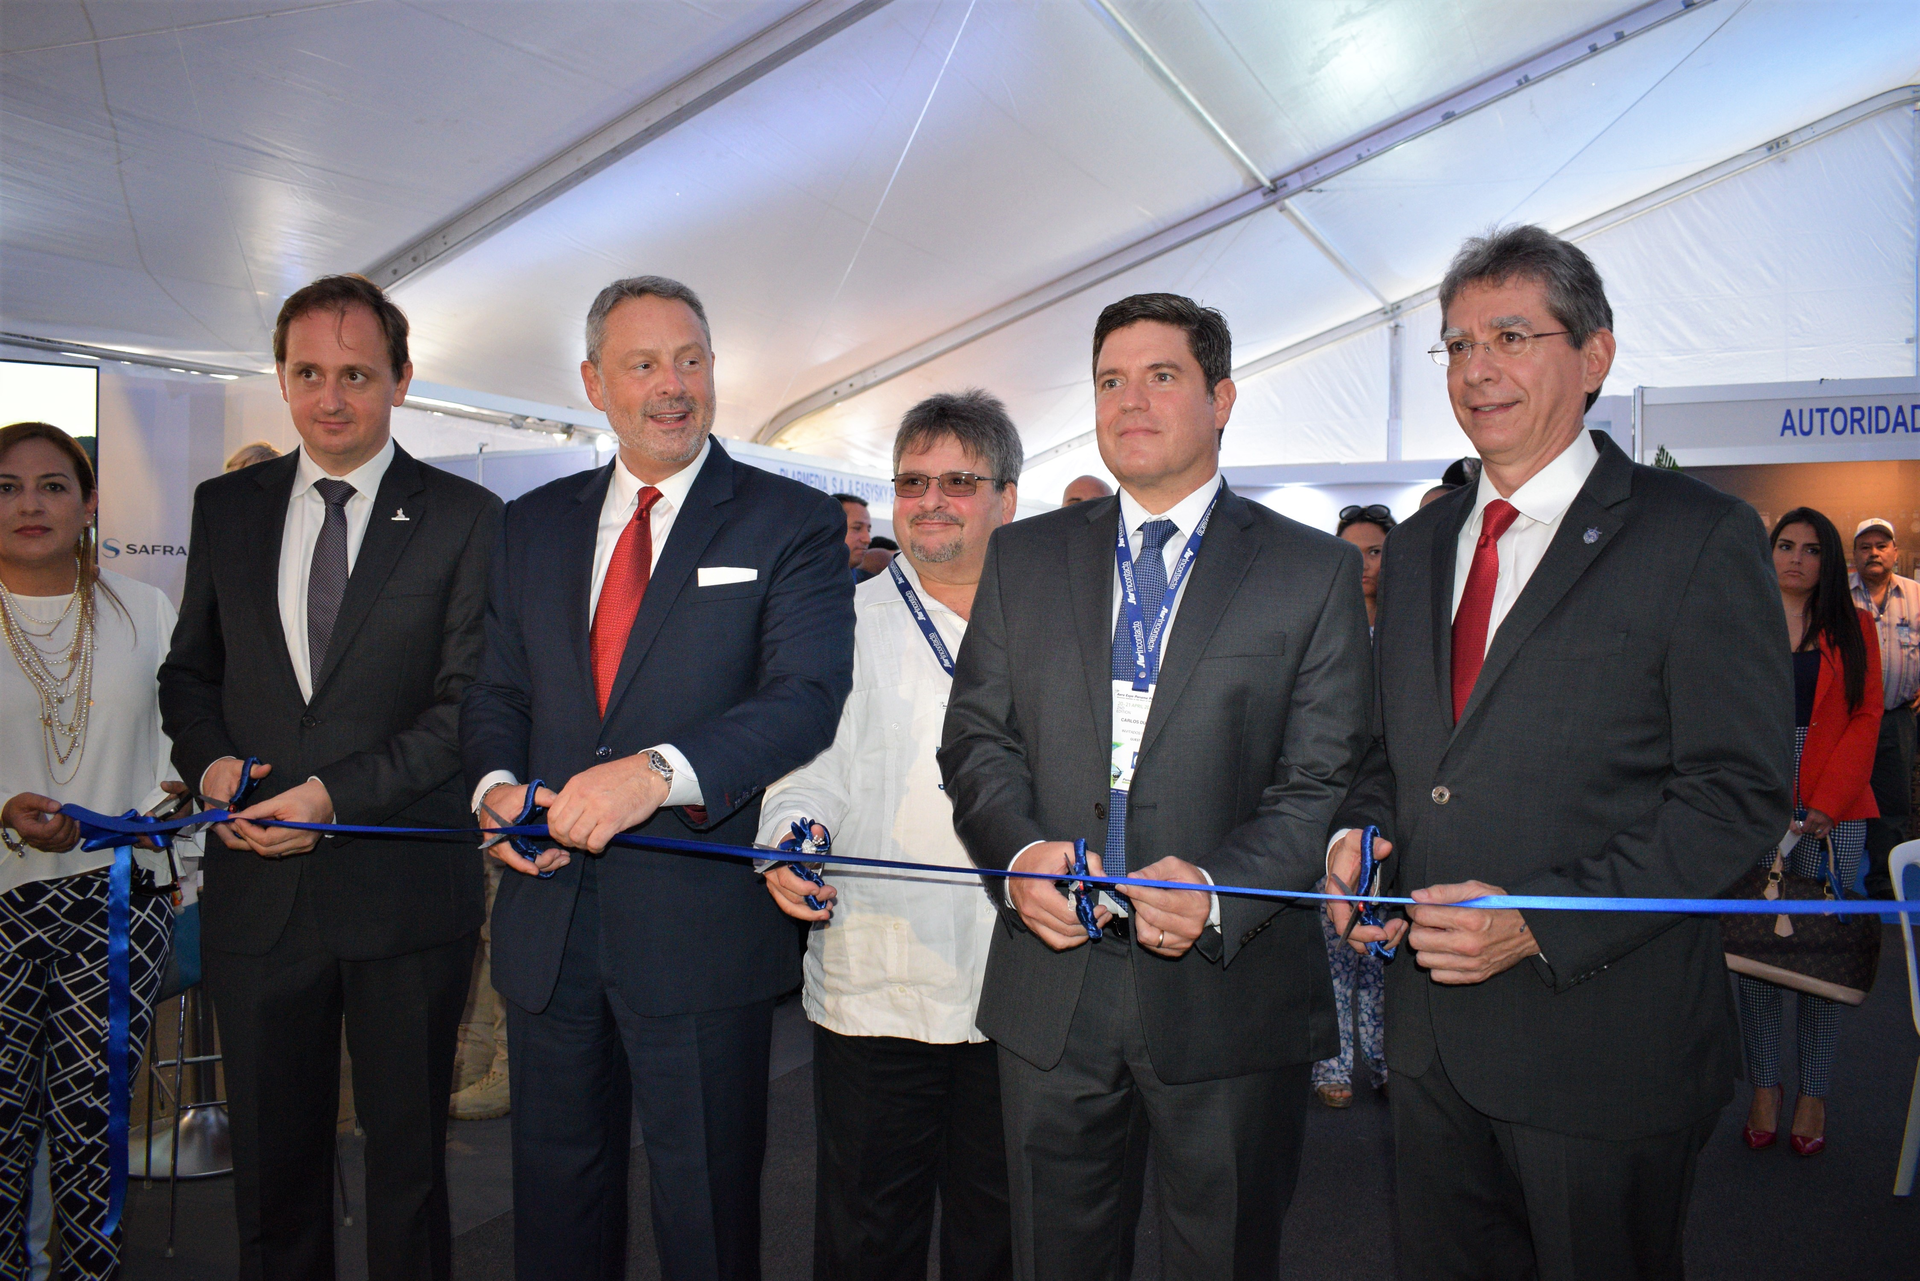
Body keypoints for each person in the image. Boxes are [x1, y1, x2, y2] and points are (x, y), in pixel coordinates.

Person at [1329, 225, 1791, 1280]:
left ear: (1594, 356)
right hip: (1434, 1044)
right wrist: (1362, 834)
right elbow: (1392, 759)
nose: (1476, 368)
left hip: (1604, 1049)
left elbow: (1735, 797)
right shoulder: (1414, 551)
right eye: (1454, 345)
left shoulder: (1697, 537)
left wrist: (1539, 923)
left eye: (1510, 336)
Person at [939, 293, 1372, 1279]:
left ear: (1221, 398)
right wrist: (1017, 855)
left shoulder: (1309, 571)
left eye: (1161, 376)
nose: (1130, 401)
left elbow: (1322, 778)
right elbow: (976, 742)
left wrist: (1223, 888)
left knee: (1221, 1258)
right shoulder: (1025, 556)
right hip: (1055, 983)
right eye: (1109, 381)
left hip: (1230, 988)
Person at [461, 275, 855, 1281]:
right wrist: (499, 789)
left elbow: (807, 692)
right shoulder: (532, 525)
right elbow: (494, 687)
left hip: (698, 928)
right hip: (550, 922)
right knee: (554, 1203)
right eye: (643, 365)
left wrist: (658, 774)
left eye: (691, 360)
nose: (672, 386)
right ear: (595, 383)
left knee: (707, 1210)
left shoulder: (788, 521)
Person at [158, 275, 502, 1281]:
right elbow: (190, 674)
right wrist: (211, 762)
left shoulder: (467, 518)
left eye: (356, 374)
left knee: (409, 1180)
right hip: (259, 897)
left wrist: (332, 799)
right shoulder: (228, 508)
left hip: (404, 901)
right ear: (281, 376)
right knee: (272, 1182)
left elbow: (464, 707)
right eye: (308, 373)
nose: (331, 398)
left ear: (401, 377)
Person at [761, 389, 1020, 1281]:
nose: (932, 500)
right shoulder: (838, 619)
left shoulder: (1054, 625)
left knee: (1002, 1229)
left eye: (958, 479)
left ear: (1005, 498)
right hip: (877, 978)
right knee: (869, 1229)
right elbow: (808, 765)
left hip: (1021, 979)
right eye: (912, 482)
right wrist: (795, 833)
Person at [0, 422, 184, 1279]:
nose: (30, 504)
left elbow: (184, 742)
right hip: (3, 893)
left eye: (51, 485)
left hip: (116, 898)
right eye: (6, 487)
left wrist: (162, 802)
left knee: (90, 1113)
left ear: (89, 502)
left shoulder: (143, 606)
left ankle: (91, 1270)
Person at [1734, 507, 1881, 1156]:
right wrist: (1760, 798)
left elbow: (1866, 717)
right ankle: (1764, 1086)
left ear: (1830, 562)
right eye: (1785, 545)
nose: (1796, 557)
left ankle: (1813, 1092)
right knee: (1758, 955)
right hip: (1756, 805)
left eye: (1812, 548)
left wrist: (1825, 800)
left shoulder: (1857, 630)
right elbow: (1724, 718)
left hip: (1839, 812)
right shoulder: (1740, 624)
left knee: (1824, 952)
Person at [1313, 503, 1396, 1109]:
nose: (1363, 564)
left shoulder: (1413, 630)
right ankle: (1333, 1066)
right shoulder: (1323, 627)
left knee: (1387, 945)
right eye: (1351, 552)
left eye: (1374, 551)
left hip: (1394, 811)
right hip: (1328, 808)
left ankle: (1387, 1059)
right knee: (1333, 947)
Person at [1851, 516, 1918, 899]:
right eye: (1865, 547)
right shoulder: (1837, 596)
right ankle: (1833, 883)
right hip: (1847, 720)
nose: (1874, 553)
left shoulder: (1917, 594)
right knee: (1841, 800)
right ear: (1855, 554)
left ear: (1894, 551)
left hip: (1897, 717)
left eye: (1881, 545)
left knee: (1893, 806)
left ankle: (1884, 886)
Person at [838, 492, 874, 580]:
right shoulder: (802, 584)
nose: (867, 539)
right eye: (857, 528)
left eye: (868, 530)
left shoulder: (875, 587)